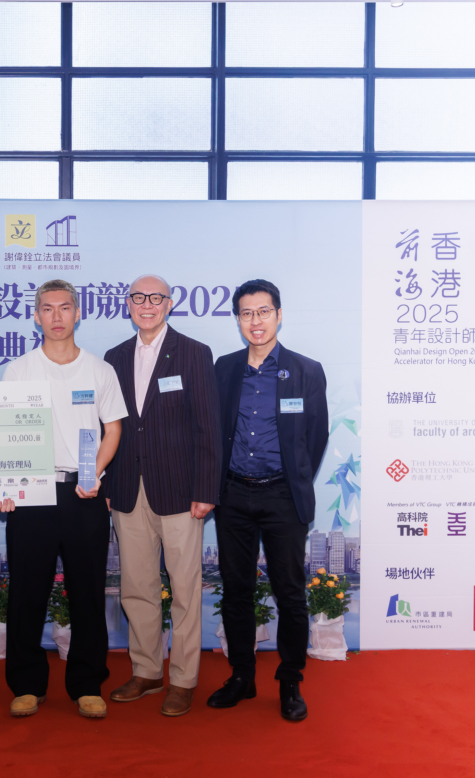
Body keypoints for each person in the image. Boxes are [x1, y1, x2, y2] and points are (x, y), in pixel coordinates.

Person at [0, 279, 126, 720]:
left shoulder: (99, 370)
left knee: (87, 592)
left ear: (78, 313)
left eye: (65, 307)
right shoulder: (19, 371)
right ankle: (27, 684)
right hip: (33, 494)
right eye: (47, 308)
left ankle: (87, 683)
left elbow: (113, 429)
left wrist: (95, 474)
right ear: (36, 316)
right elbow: (6, 432)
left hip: (83, 494)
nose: (56, 316)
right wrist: (7, 484)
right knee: (26, 593)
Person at [206, 279, 328, 723]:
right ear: (237, 319)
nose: (255, 321)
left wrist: (293, 480)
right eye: (246, 313)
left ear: (278, 315)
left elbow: (316, 437)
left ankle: (290, 680)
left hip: (282, 495)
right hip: (233, 494)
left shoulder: (305, 370)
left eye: (263, 312)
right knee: (236, 590)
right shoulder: (224, 368)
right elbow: (214, 430)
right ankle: (242, 676)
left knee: (289, 593)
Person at [102, 274, 222, 717]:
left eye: (156, 298)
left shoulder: (193, 352)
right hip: (127, 491)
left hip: (181, 493)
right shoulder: (114, 357)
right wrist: (108, 484)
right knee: (136, 589)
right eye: (139, 297)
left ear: (169, 304)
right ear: (128, 304)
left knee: (186, 591)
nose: (147, 305)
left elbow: (209, 426)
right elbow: (109, 426)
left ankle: (184, 680)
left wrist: (206, 489)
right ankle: (148, 670)